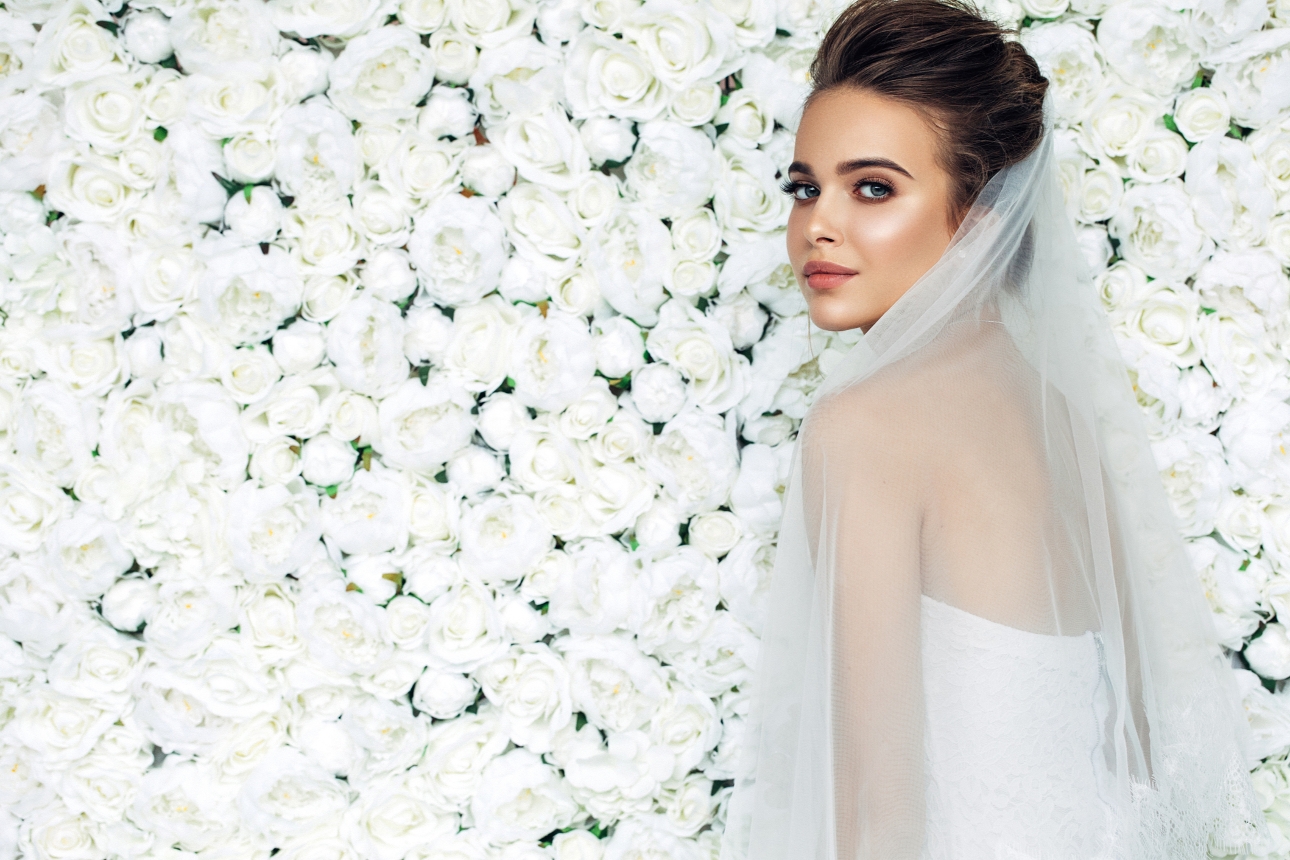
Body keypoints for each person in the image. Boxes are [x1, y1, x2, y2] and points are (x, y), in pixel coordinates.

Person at [718, 1, 1273, 858]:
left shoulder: (865, 424)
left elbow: (878, 812)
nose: (816, 224)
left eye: (873, 187)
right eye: (805, 187)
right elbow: (1132, 749)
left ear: (980, 213)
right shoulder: (1051, 407)